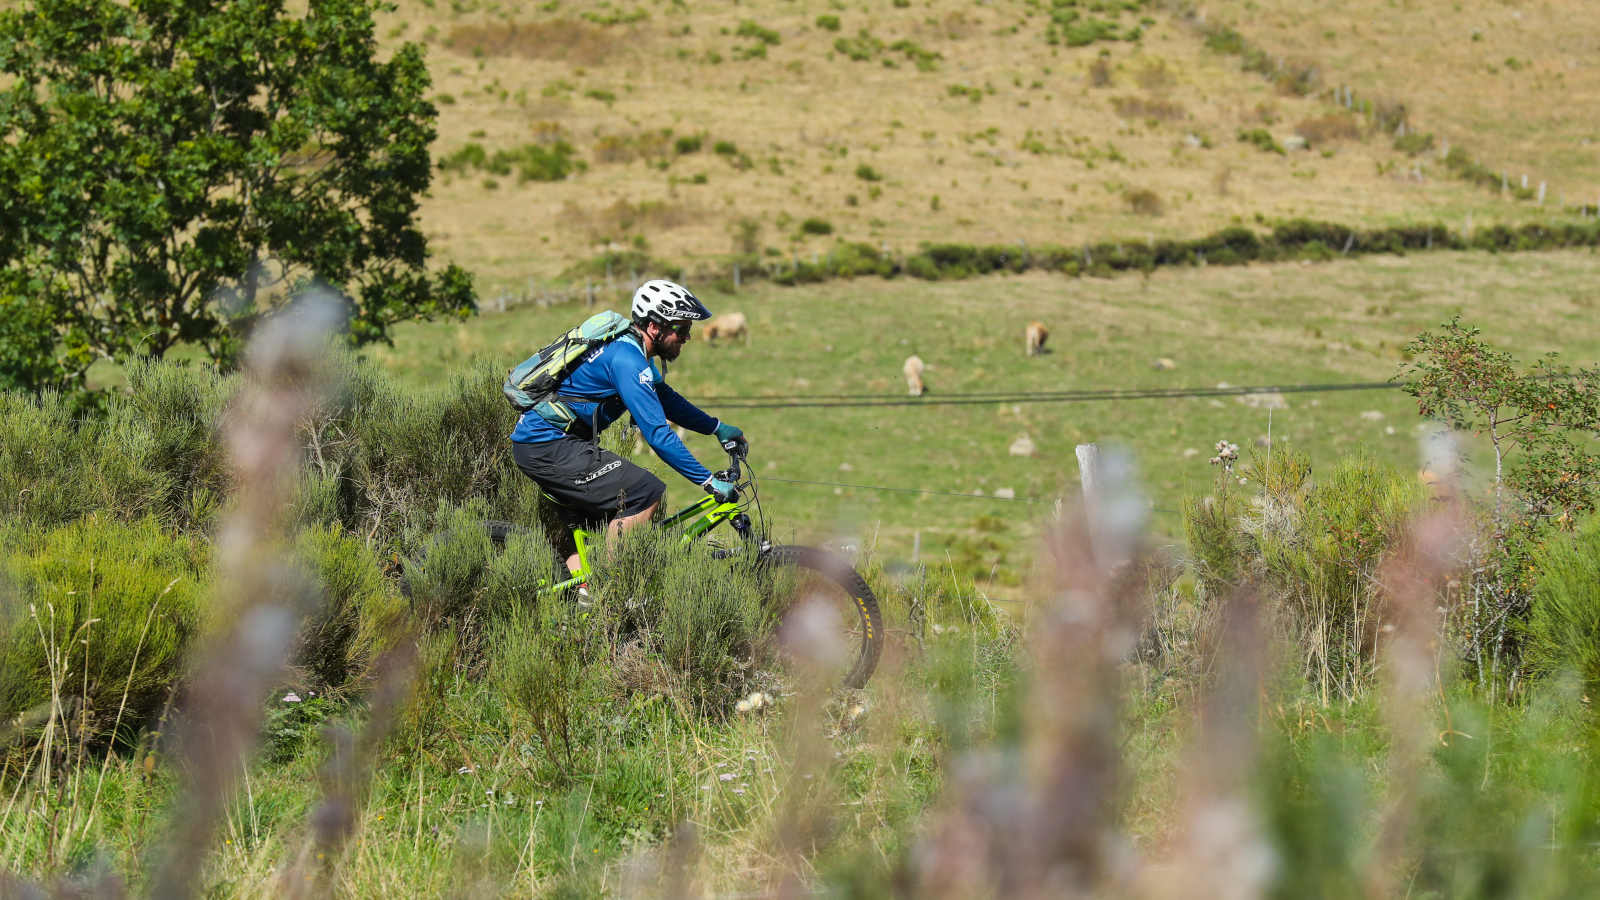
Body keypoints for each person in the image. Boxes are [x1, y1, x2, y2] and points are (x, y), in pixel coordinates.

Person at [508, 279, 747, 573]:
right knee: (645, 492)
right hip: (548, 445)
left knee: (599, 530)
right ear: (655, 327)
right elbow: (658, 434)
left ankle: (581, 597)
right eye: (682, 328)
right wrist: (708, 482)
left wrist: (717, 427)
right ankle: (612, 598)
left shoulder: (631, 350)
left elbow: (667, 400)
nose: (687, 337)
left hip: (547, 444)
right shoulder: (627, 361)